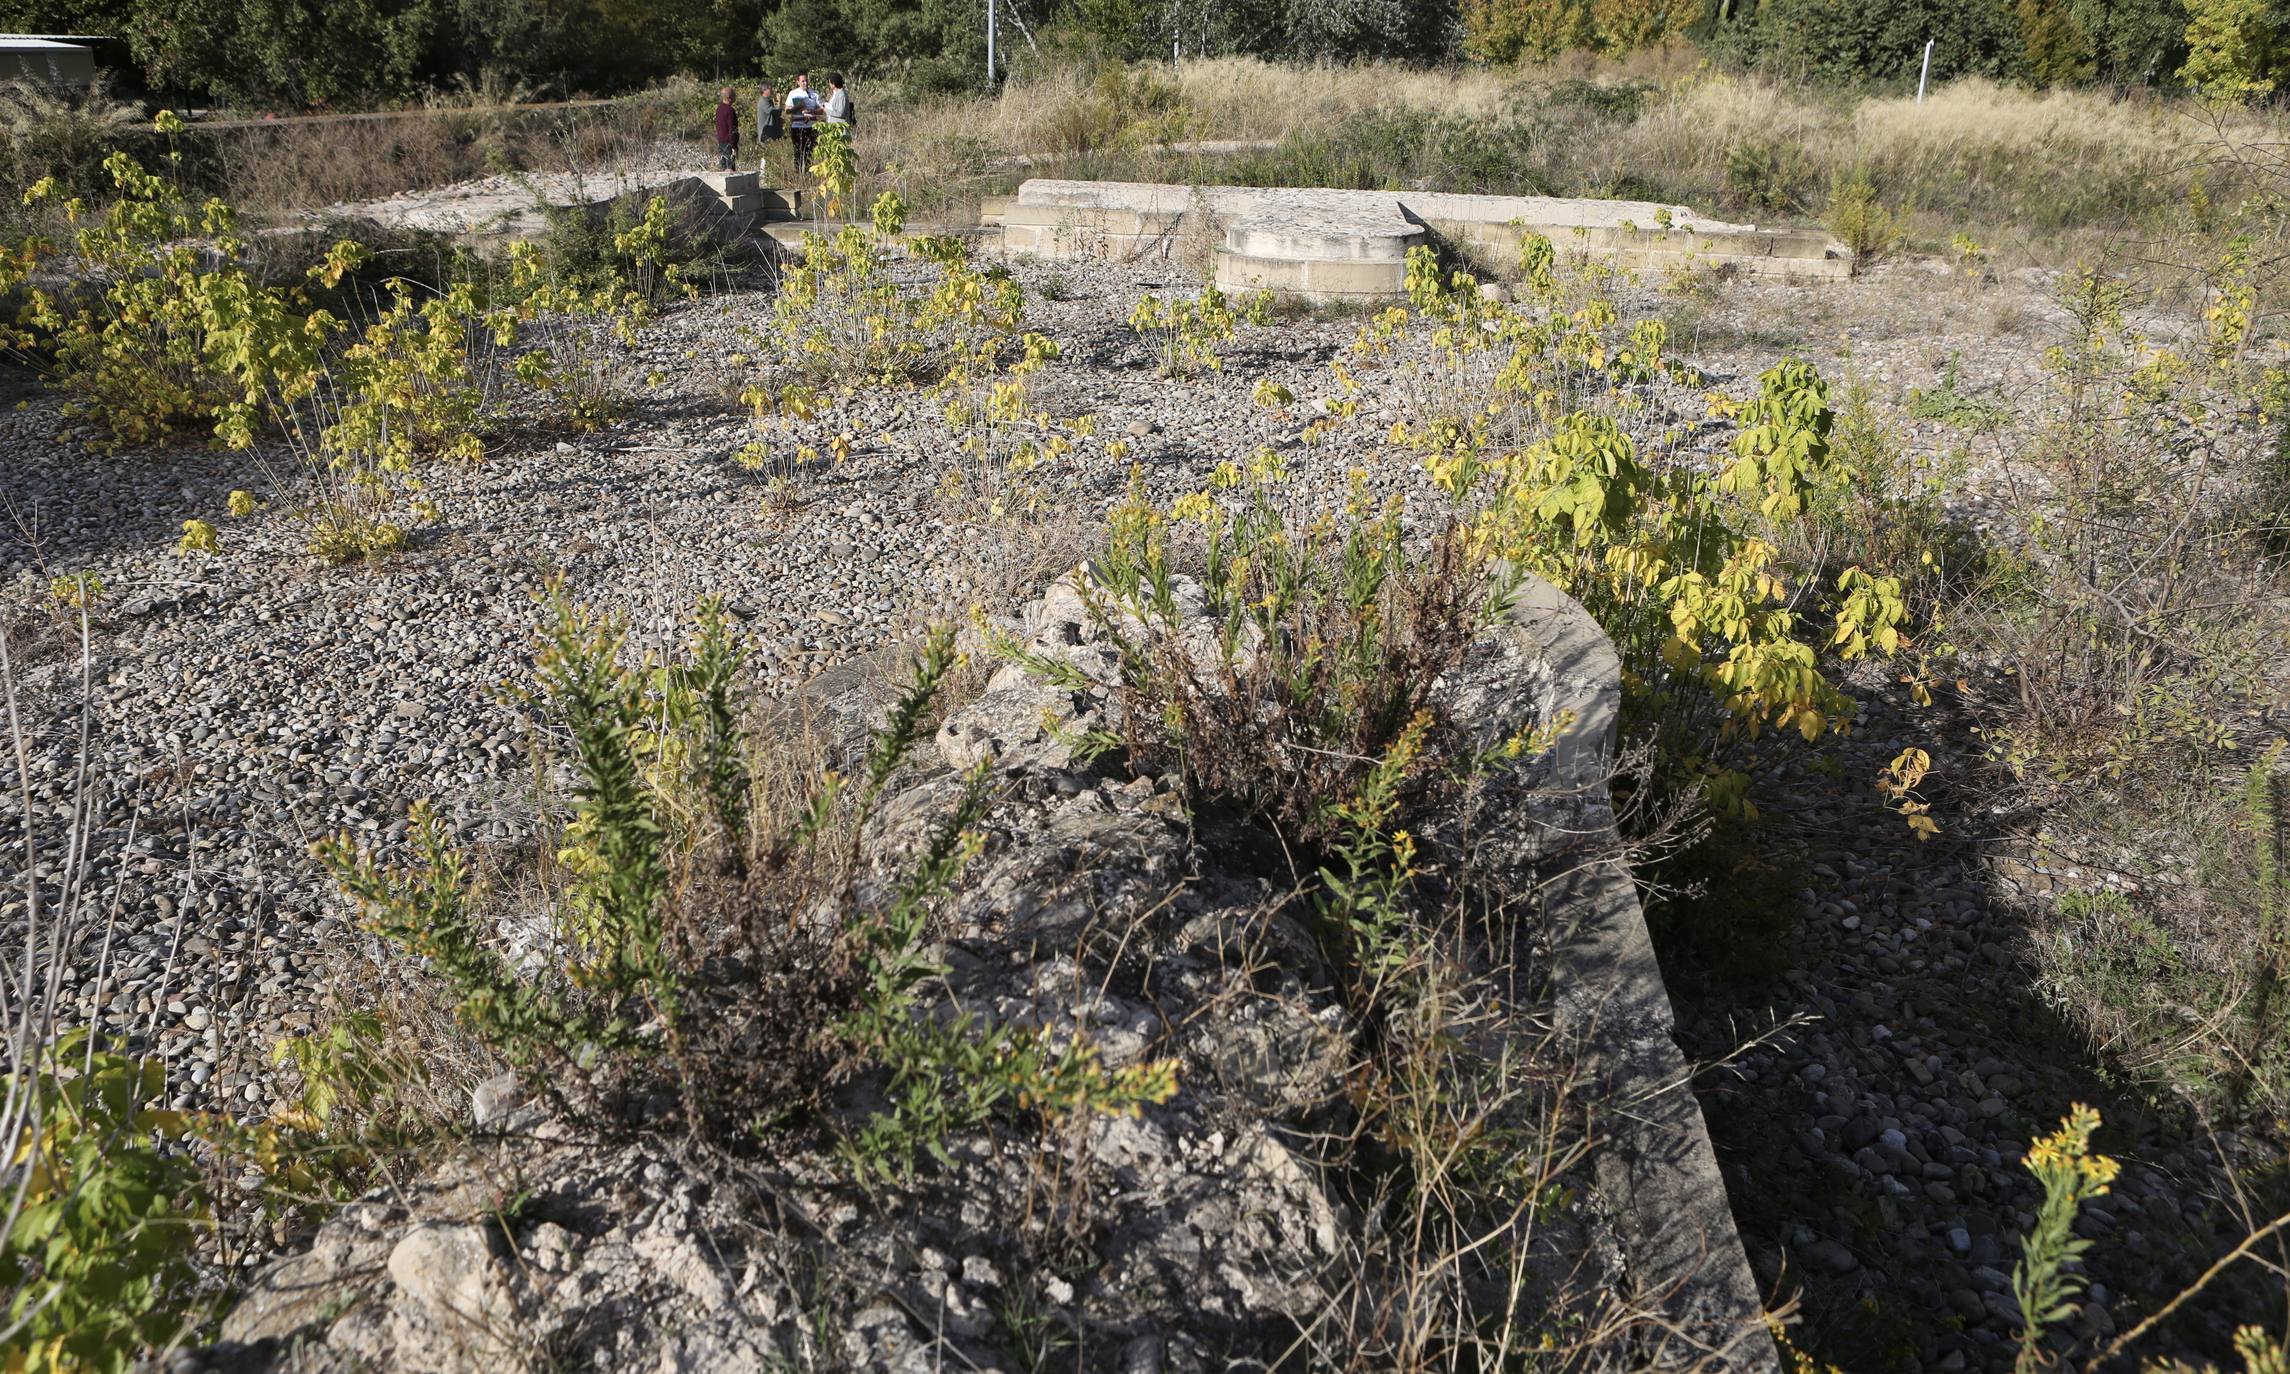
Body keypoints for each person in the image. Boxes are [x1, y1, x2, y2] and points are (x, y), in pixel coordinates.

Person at [784, 73, 821, 174]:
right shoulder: (793, 93)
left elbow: (821, 109)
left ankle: (809, 173)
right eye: (803, 81)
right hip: (797, 126)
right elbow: (787, 110)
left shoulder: (814, 94)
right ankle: (799, 173)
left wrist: (812, 111)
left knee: (810, 151)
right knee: (798, 151)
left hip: (811, 126)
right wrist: (797, 107)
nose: (805, 83)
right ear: (798, 82)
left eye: (806, 81)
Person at [754, 82, 783, 174]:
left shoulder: (768, 101)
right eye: (770, 89)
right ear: (764, 90)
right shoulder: (763, 102)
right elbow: (774, 112)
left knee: (772, 155)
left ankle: (771, 174)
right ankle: (763, 174)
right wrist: (779, 102)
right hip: (766, 133)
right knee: (766, 155)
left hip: (772, 132)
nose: (772, 90)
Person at [713, 86, 738, 171]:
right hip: (729, 143)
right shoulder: (730, 111)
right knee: (730, 169)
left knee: (723, 168)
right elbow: (732, 129)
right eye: (734, 94)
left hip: (721, 142)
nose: (735, 96)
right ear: (729, 97)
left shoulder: (719, 109)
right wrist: (734, 145)